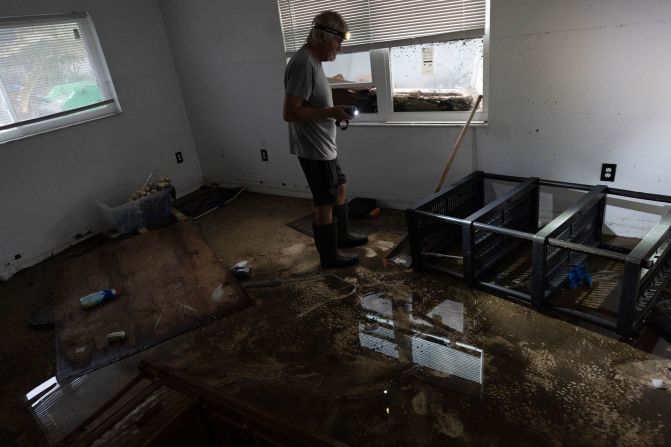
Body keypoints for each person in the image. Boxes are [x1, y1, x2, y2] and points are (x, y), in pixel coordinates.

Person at [283, 10, 367, 268]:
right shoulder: (302, 64)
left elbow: (313, 102)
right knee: (324, 202)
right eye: (338, 42)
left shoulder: (315, 62)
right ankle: (329, 256)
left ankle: (340, 237)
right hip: (314, 149)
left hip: (325, 145)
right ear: (323, 36)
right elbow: (290, 112)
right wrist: (330, 112)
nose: (340, 49)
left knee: (340, 187)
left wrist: (334, 112)